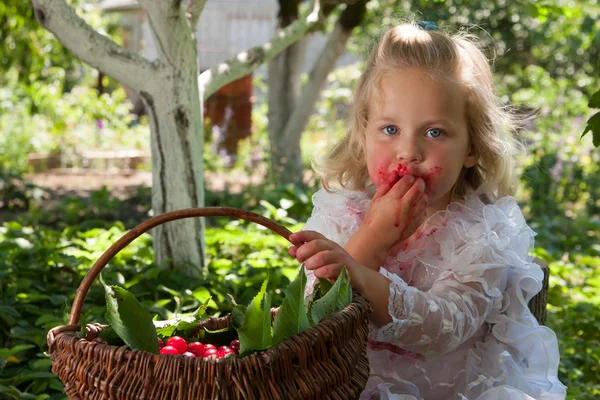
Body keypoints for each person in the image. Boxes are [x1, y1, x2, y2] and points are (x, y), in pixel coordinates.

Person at [287, 21, 567, 400]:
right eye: (389, 129)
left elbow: (444, 327)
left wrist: (360, 273)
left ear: (471, 148)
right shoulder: (342, 214)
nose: (409, 152)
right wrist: (370, 240)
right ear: (364, 134)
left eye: (434, 132)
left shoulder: (480, 234)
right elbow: (311, 318)